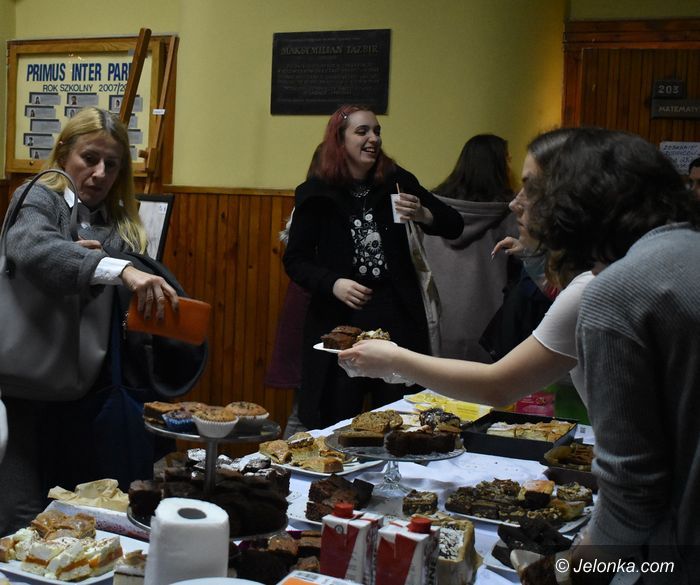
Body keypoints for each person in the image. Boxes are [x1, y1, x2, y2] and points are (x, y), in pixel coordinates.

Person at [524, 129, 700, 584]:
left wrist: (571, 572)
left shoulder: (618, 290)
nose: (521, 205)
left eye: (533, 190)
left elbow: (634, 487)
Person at [0, 107, 179, 534]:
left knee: (79, 517)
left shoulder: (122, 225)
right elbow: (32, 246)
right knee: (22, 518)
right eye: (89, 158)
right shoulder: (40, 196)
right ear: (64, 153)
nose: (99, 173)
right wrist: (115, 268)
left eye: (111, 164)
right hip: (23, 386)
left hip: (83, 394)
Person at [337, 128, 596, 409]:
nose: (514, 203)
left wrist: (395, 359)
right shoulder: (594, 280)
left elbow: (498, 387)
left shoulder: (588, 290)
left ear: (573, 198)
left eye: (531, 189)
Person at [283, 104, 463, 429]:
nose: (373, 139)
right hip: (341, 320)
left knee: (399, 419)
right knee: (338, 420)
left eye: (377, 131)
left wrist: (423, 214)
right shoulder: (315, 192)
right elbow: (295, 260)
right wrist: (333, 283)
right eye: (362, 131)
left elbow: (454, 224)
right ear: (340, 140)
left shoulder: (397, 181)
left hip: (396, 318)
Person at [425, 134, 518, 362]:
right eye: (507, 160)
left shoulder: (433, 209)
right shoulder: (511, 213)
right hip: (491, 329)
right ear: (498, 165)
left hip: (437, 322)